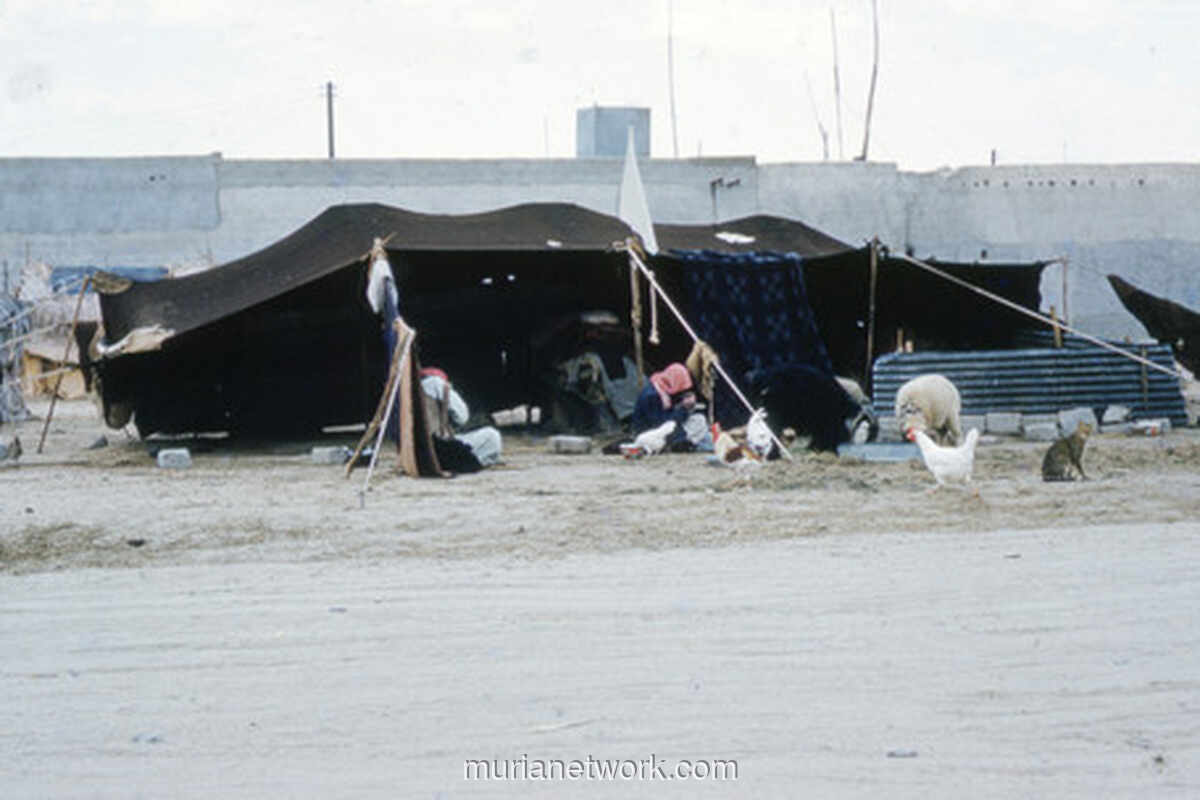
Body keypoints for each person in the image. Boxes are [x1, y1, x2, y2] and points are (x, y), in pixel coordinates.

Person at [419, 367, 503, 468]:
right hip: (440, 447)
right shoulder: (437, 383)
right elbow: (462, 417)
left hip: (419, 452)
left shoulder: (409, 391)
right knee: (492, 435)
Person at [630, 362, 699, 449]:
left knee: (699, 420)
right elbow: (663, 425)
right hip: (651, 433)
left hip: (665, 426)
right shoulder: (652, 396)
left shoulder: (664, 390)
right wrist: (683, 409)